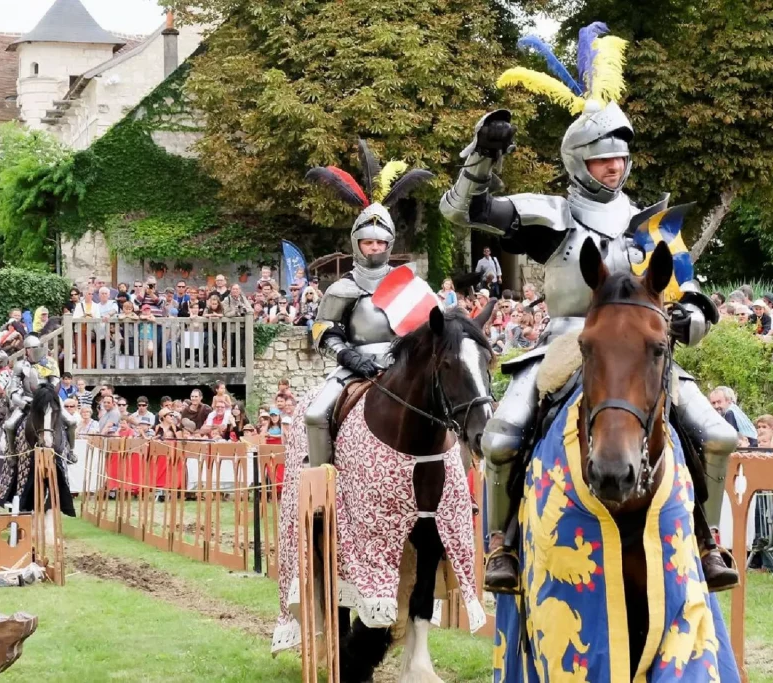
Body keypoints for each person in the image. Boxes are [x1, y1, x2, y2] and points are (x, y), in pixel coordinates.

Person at [439, 23, 735, 591]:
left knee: (717, 435)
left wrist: (686, 321)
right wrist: (481, 156)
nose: (615, 168)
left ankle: (706, 538)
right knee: (502, 438)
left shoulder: (652, 223)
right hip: (569, 341)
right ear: (579, 162)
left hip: (645, 349)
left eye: (620, 158)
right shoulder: (552, 217)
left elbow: (695, 301)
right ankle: (501, 546)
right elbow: (464, 212)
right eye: (602, 160)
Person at [303, 140, 435, 469]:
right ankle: (323, 484)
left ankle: (459, 490)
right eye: (368, 242)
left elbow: (434, 326)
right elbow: (322, 329)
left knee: (454, 408)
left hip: (406, 363)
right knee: (316, 414)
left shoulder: (410, 284)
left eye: (380, 242)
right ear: (357, 243)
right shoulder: (344, 287)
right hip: (355, 365)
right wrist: (347, 354)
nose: (374, 248)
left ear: (389, 244)